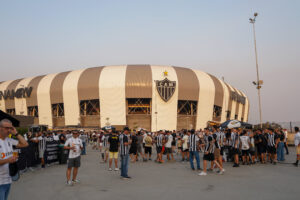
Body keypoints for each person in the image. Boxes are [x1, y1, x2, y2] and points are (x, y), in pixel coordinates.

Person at [0, 119, 28, 200]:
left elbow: (25, 144)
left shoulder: (9, 140)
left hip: (8, 179)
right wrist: (8, 160)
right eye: (7, 128)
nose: (9, 130)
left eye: (10, 128)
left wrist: (16, 133)